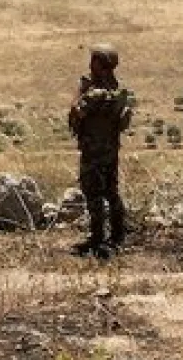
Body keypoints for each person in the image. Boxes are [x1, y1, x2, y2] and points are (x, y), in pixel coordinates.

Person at [68, 43, 132, 258]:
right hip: (110, 150)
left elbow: (77, 112)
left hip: (93, 152)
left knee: (93, 193)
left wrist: (79, 90)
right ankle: (117, 235)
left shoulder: (95, 94)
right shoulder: (116, 92)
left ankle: (97, 238)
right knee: (111, 192)